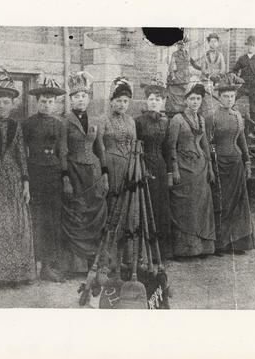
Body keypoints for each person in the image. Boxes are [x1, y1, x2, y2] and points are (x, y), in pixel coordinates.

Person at [0, 69, 36, 286]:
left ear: (12, 105)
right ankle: (1, 275)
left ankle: (19, 274)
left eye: (6, 102)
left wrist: (26, 183)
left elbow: (21, 155)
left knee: (17, 224)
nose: (2, 106)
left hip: (13, 179)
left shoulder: (16, 127)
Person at [59, 71, 109, 275]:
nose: (81, 99)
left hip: (95, 173)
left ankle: (95, 262)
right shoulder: (65, 121)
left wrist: (105, 173)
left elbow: (101, 149)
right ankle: (76, 265)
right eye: (77, 96)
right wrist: (65, 178)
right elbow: (62, 151)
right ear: (71, 100)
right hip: (74, 173)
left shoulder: (95, 120)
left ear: (89, 99)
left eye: (84, 96)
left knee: (96, 216)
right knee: (77, 214)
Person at [22, 77, 67, 283]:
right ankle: (34, 264)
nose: (46, 104)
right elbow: (23, 152)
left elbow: (62, 152)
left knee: (51, 220)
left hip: (54, 175)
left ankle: (48, 265)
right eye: (43, 101)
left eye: (50, 101)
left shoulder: (59, 125)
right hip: (35, 174)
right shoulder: (28, 124)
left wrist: (64, 176)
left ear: (55, 103)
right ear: (37, 102)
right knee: (36, 219)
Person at [205, 77, 255, 255]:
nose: (229, 99)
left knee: (239, 203)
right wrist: (212, 162)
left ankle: (237, 242)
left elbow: (242, 141)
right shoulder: (212, 117)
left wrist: (247, 162)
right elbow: (208, 142)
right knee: (222, 203)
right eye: (225, 96)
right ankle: (220, 243)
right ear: (219, 97)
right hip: (219, 164)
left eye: (232, 96)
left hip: (236, 164)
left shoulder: (237, 116)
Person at [167, 83, 216, 259]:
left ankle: (202, 246)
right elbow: (171, 146)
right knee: (186, 205)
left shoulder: (201, 120)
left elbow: (205, 145)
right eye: (192, 99)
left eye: (198, 99)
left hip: (201, 167)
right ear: (186, 100)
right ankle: (185, 248)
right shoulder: (177, 120)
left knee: (201, 205)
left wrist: (210, 167)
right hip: (183, 166)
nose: (195, 102)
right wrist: (174, 170)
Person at [135, 74, 172, 260]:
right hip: (143, 165)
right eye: (151, 99)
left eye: (157, 99)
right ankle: (144, 250)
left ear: (162, 102)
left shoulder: (166, 122)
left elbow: (167, 148)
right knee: (145, 205)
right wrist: (141, 167)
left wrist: (170, 170)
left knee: (160, 206)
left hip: (160, 166)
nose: (154, 102)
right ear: (146, 101)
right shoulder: (139, 121)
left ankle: (160, 251)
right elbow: (136, 146)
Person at [101, 76, 136, 212]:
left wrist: (133, 169)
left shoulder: (131, 121)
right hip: (111, 165)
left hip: (129, 166)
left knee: (127, 200)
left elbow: (134, 145)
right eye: (119, 101)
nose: (122, 104)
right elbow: (100, 147)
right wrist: (104, 171)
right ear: (111, 102)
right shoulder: (103, 119)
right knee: (112, 200)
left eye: (125, 101)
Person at [232, 35, 255, 135]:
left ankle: (251, 131)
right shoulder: (242, 58)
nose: (251, 47)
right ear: (246, 46)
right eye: (249, 45)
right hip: (244, 84)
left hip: (254, 85)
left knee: (253, 108)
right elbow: (234, 70)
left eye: (253, 45)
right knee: (232, 100)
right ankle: (233, 125)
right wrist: (238, 79)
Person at [166, 36, 202, 116]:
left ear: (185, 45)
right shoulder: (175, 54)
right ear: (177, 45)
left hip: (186, 77)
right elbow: (171, 65)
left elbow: (194, 64)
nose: (181, 46)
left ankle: (186, 112)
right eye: (179, 44)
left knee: (186, 94)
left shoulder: (187, 54)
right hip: (178, 76)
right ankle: (176, 113)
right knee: (177, 94)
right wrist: (173, 76)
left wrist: (202, 68)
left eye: (182, 44)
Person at [199, 32, 227, 115]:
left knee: (216, 101)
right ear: (208, 43)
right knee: (206, 101)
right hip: (206, 81)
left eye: (215, 41)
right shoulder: (204, 55)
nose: (213, 43)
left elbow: (223, 69)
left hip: (217, 81)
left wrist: (218, 75)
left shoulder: (220, 55)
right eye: (211, 41)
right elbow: (203, 69)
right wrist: (210, 76)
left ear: (218, 43)